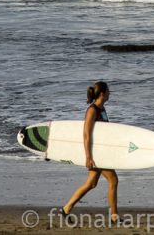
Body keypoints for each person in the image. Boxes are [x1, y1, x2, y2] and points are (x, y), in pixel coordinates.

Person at [63, 82, 119, 222]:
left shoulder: (102, 108)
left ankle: (66, 209)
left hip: (100, 151)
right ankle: (114, 217)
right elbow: (86, 134)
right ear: (102, 94)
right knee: (113, 180)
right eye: (108, 91)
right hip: (95, 153)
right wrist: (88, 156)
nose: (109, 93)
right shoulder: (92, 110)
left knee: (91, 183)